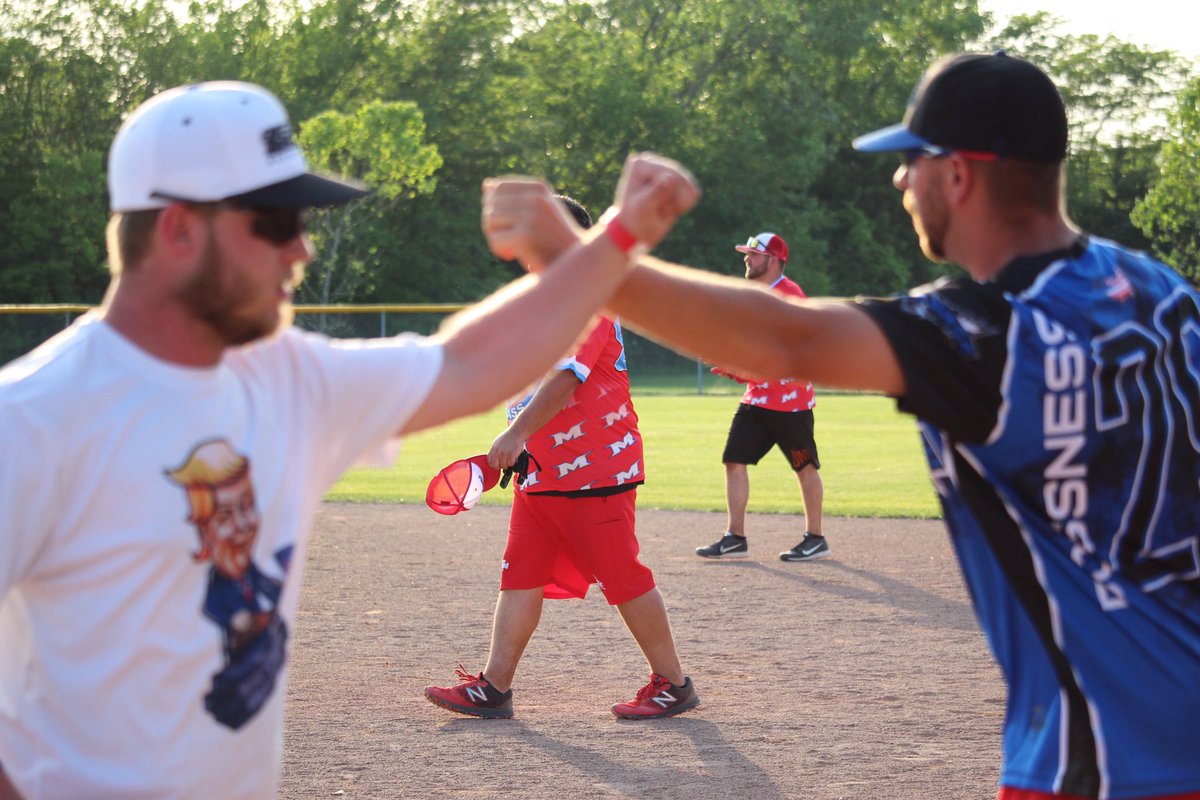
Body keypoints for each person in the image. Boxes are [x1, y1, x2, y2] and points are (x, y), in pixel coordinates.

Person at [488, 52, 1200, 800]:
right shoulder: (1168, 297)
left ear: (958, 175)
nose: (899, 180)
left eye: (912, 160)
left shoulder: (992, 330)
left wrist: (580, 259)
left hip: (1108, 763)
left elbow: (785, 340)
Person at [0, 81, 699, 799]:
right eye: (276, 222)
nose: (301, 248)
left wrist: (617, 239)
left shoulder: (291, 380)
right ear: (179, 229)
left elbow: (469, 363)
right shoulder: (30, 423)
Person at [423, 195, 699, 721]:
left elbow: (567, 379)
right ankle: (494, 687)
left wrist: (516, 435)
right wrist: (513, 444)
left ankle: (674, 684)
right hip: (543, 472)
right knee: (520, 575)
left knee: (622, 576)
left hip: (594, 470)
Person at [694, 231, 827, 562]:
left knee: (804, 465)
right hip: (756, 399)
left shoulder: (789, 296)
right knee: (734, 460)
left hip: (790, 404)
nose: (747, 258)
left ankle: (816, 538)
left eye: (754, 254)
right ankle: (735, 537)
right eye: (747, 253)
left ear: (774, 260)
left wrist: (739, 369)